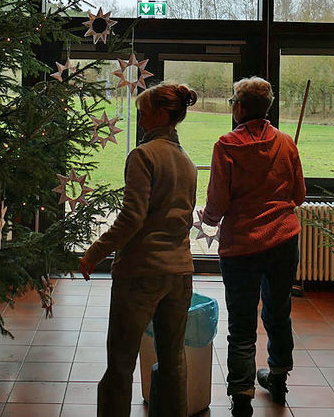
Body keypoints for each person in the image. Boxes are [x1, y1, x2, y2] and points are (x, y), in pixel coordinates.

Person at [79, 82, 199, 417]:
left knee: (121, 362)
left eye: (144, 112)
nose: (140, 118)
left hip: (141, 273)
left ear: (162, 114)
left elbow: (132, 217)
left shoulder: (143, 155)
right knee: (173, 360)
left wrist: (94, 252)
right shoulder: (187, 161)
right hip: (180, 274)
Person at [201, 77, 306, 417]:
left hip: (242, 246)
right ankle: (278, 379)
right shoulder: (286, 143)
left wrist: (210, 217)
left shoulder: (226, 145)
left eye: (234, 101)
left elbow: (217, 200)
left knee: (242, 324)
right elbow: (299, 196)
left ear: (241, 107)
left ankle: (242, 394)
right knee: (279, 311)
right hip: (283, 241)